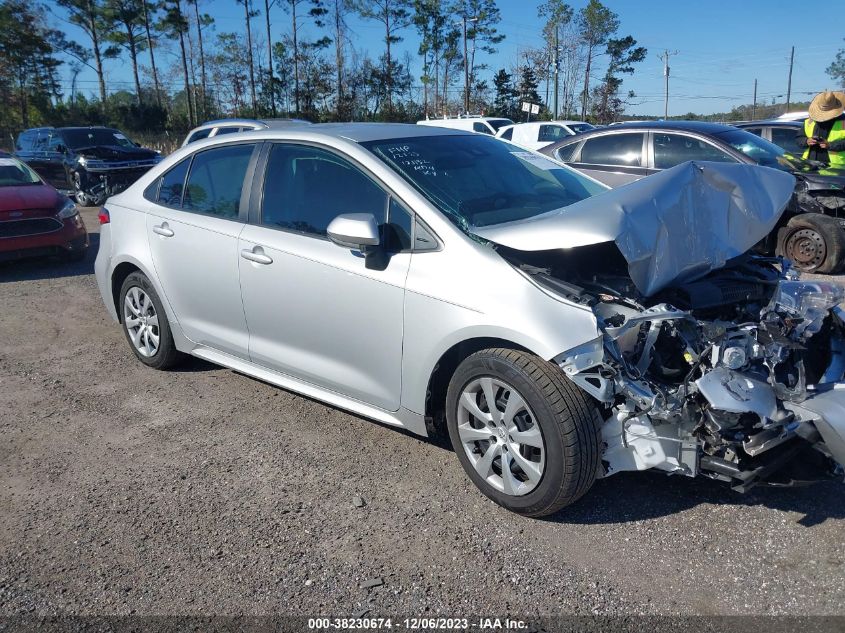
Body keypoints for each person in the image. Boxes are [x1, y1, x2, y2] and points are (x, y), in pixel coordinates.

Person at [796, 90, 845, 167]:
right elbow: (799, 139)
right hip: (810, 166)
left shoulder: (843, 121)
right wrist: (806, 141)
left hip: (836, 168)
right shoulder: (809, 122)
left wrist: (830, 145)